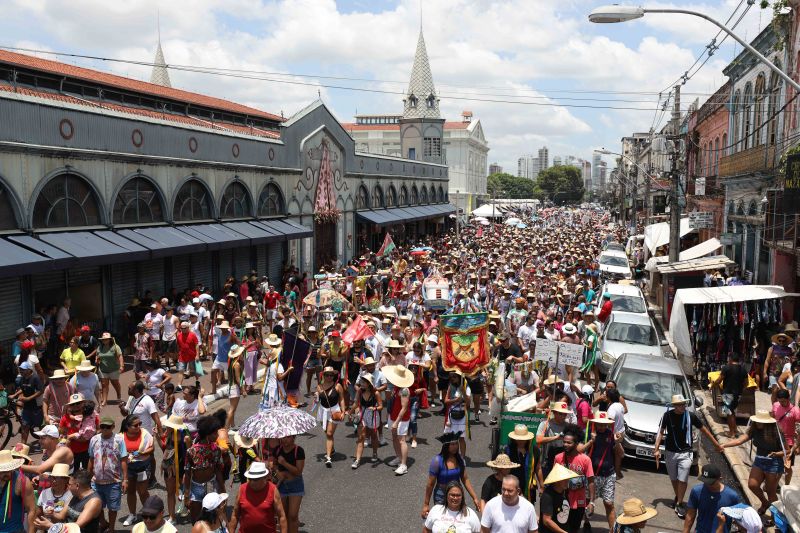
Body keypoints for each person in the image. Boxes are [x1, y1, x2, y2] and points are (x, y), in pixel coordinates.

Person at [653, 394, 724, 519]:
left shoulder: (691, 416)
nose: (683, 406)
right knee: (674, 478)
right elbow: (661, 431)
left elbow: (704, 430)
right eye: (680, 404)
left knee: (683, 478)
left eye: (684, 404)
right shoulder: (667, 416)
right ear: (674, 406)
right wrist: (656, 448)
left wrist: (716, 444)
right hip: (670, 452)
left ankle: (680, 503)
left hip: (686, 453)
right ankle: (678, 497)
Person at [722, 411, 784, 514]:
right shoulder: (754, 429)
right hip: (759, 460)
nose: (758, 424)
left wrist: (776, 454)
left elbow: (787, 451)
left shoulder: (776, 432)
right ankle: (765, 503)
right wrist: (724, 445)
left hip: (774, 463)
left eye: (760, 422)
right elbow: (739, 441)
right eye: (756, 421)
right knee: (752, 485)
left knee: (770, 491)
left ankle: (776, 518)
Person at [423, 432, 480, 517]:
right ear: (446, 446)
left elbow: (465, 479)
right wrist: (426, 504)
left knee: (458, 520)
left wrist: (475, 497)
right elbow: (430, 484)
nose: (455, 446)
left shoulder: (460, 459)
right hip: (441, 495)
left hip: (456, 494)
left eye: (456, 444)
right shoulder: (437, 461)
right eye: (452, 444)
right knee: (441, 520)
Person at [88, 417, 128, 533]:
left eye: (108, 427)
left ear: (113, 427)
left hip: (114, 481)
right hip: (96, 481)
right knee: (97, 506)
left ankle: (111, 529)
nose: (105, 429)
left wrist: (125, 479)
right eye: (102, 427)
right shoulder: (94, 439)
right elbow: (91, 458)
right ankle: (103, 523)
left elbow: (124, 460)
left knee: (112, 508)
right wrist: (87, 476)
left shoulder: (119, 440)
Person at [184, 413, 226, 522]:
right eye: (215, 433)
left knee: (214, 519)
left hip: (212, 485)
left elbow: (218, 470)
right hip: (196, 488)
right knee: (196, 519)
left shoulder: (216, 450)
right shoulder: (191, 451)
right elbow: (187, 473)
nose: (217, 435)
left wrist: (222, 490)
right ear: (207, 435)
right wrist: (187, 495)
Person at [554, 424, 595, 532]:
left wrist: (591, 502)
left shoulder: (585, 460)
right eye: (564, 442)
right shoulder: (558, 458)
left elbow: (591, 481)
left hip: (579, 502)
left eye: (569, 442)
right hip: (561, 500)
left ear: (576, 443)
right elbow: (554, 479)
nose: (565, 444)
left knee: (574, 528)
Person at [584, 411, 620, 530]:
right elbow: (579, 450)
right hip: (592, 475)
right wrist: (590, 441)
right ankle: (586, 522)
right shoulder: (589, 433)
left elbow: (621, 454)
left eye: (604, 424)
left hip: (609, 474)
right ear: (595, 423)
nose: (602, 426)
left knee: (609, 503)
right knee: (588, 501)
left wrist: (618, 442)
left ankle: (612, 530)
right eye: (599, 424)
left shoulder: (612, 435)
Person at [228, 462, 288, 533]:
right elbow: (235, 514)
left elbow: (282, 516)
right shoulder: (242, 489)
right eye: (250, 479)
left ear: (265, 477)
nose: (252, 482)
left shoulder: (273, 490)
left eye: (256, 479)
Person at [682, 465, 741, 533]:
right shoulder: (696, 491)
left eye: (711, 482)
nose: (708, 485)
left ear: (720, 479)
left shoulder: (732, 496)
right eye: (705, 481)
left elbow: (738, 520)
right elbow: (690, 515)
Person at [120, 414, 155, 527]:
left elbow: (152, 447)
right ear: (127, 427)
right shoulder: (120, 437)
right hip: (129, 468)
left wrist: (142, 453)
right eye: (136, 425)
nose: (139, 426)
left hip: (143, 466)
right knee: (130, 491)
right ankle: (132, 514)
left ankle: (149, 514)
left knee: (143, 492)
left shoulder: (145, 433)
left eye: (140, 424)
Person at [384, 364, 414, 475]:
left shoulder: (404, 390)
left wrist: (396, 422)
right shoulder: (397, 387)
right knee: (394, 438)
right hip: (393, 416)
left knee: (402, 440)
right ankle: (399, 457)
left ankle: (403, 464)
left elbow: (404, 408)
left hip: (401, 419)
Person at [711, 353, 749, 438]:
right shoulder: (743, 369)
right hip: (737, 394)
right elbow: (746, 383)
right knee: (732, 412)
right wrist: (740, 389)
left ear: (731, 359)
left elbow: (719, 380)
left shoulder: (726, 368)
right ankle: (735, 429)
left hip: (728, 394)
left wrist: (712, 386)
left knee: (729, 413)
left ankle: (731, 433)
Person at [159, 414, 188, 523]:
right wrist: (158, 437)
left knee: (185, 490)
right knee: (170, 492)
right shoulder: (168, 435)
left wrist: (187, 471)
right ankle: (172, 516)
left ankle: (186, 507)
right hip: (169, 468)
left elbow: (188, 454)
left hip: (182, 468)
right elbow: (164, 450)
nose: (167, 427)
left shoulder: (185, 437)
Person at [314, 366, 345, 467]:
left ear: (334, 376)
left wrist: (343, 411)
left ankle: (328, 457)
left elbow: (341, 399)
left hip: (334, 410)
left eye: (331, 375)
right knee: (327, 433)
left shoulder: (338, 386)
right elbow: (318, 400)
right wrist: (316, 397)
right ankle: (332, 449)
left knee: (329, 433)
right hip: (323, 411)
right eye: (327, 375)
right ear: (323, 375)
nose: (329, 377)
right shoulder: (319, 386)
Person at [273, 434, 305, 533]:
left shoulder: (299, 451)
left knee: (293, 515)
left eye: (288, 437)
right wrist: (277, 473)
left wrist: (284, 463)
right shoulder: (277, 450)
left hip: (295, 485)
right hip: (281, 485)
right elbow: (274, 465)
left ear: (293, 437)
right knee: (283, 515)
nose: (284, 440)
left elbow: (298, 471)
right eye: (282, 437)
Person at [504, 425, 543, 503]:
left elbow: (538, 468)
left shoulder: (534, 450)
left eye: (523, 439)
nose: (520, 441)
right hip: (512, 488)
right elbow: (504, 469)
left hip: (529, 488)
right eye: (518, 439)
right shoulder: (508, 450)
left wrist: (542, 485)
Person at [352, 373, 383, 468]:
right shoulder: (360, 392)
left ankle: (374, 453)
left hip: (373, 415)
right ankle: (357, 460)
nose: (361, 383)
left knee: (374, 436)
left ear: (369, 383)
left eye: (364, 382)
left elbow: (381, 406)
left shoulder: (376, 393)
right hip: (363, 414)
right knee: (361, 437)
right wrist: (350, 412)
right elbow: (356, 403)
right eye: (362, 381)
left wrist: (375, 408)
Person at [0, 450, 35, 533]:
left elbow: (31, 510)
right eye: (3, 471)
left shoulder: (22, 481)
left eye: (9, 469)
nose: (7, 473)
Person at [539, 463, 580, 533]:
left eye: (568, 478)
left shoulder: (565, 492)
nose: (567, 481)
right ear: (557, 480)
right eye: (564, 479)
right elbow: (547, 521)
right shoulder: (547, 496)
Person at [31, 463, 72, 532]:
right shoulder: (45, 493)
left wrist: (52, 514)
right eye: (52, 477)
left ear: (66, 480)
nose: (53, 480)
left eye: (57, 478)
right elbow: (38, 514)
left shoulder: (71, 495)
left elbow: (62, 517)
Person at [771, 388, 800, 484]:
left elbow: (799, 430)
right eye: (780, 401)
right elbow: (772, 420)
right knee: (775, 465)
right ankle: (775, 485)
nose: (782, 403)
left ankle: (787, 486)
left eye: (784, 401)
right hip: (775, 440)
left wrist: (798, 446)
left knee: (787, 467)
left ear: (788, 398)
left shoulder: (795, 410)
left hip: (789, 443)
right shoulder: (775, 405)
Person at [10, 361, 42, 444]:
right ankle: (22, 447)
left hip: (36, 407)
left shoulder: (35, 378)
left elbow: (40, 391)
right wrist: (15, 395)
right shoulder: (22, 378)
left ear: (29, 370)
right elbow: (22, 388)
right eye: (20, 369)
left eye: (23, 369)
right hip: (27, 407)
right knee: (24, 426)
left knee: (40, 427)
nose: (21, 371)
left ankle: (44, 444)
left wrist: (28, 398)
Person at [96, 332, 124, 408]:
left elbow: (120, 356)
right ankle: (104, 400)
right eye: (103, 339)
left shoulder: (115, 347)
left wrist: (122, 366)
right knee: (104, 385)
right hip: (103, 369)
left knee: (115, 384)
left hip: (114, 369)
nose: (104, 341)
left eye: (106, 339)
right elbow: (98, 356)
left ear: (109, 340)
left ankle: (119, 396)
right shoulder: (100, 347)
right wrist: (97, 360)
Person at [226, 345, 245, 428]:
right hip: (234, 388)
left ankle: (232, 425)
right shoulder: (236, 364)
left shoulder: (232, 363)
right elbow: (238, 379)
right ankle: (226, 428)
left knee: (232, 409)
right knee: (232, 409)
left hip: (231, 386)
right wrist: (243, 390)